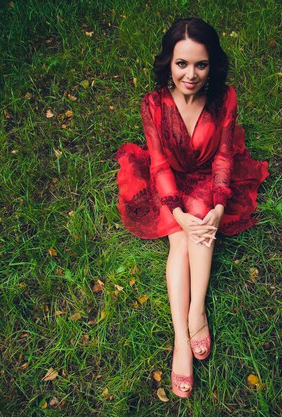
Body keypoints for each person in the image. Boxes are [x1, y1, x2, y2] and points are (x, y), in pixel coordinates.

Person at [115, 17, 268, 398]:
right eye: (182, 63)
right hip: (168, 180)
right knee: (180, 241)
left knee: (203, 224)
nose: (191, 74)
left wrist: (219, 202)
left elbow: (222, 156)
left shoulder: (224, 97)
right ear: (169, 62)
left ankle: (196, 310)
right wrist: (176, 212)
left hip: (205, 177)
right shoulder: (152, 104)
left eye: (201, 64)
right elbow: (158, 163)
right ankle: (181, 341)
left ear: (212, 64)